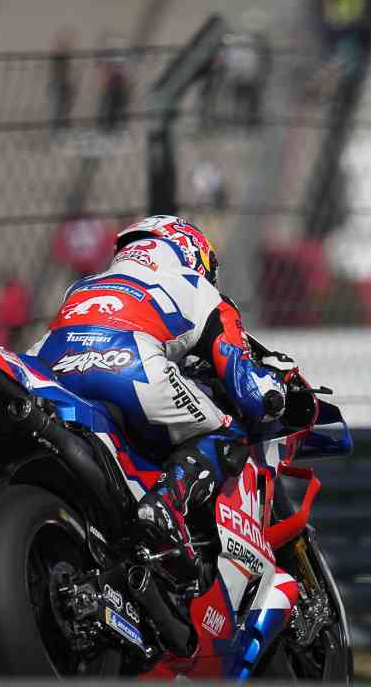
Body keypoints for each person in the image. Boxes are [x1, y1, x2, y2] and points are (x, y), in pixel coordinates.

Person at [27, 216, 319, 591]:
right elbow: (245, 384)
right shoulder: (199, 289)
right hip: (132, 370)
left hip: (55, 375)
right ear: (190, 250)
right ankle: (166, 505)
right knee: (226, 429)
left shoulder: (81, 286)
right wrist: (274, 393)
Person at [0, 269, 32, 351]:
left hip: (12, 324)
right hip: (14, 324)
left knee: (12, 345)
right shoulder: (15, 291)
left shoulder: (14, 292)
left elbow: (7, 310)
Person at [50, 27, 77, 135]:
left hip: (64, 84)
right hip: (60, 85)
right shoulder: (59, 57)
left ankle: (62, 130)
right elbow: (58, 73)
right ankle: (58, 132)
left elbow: (67, 72)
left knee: (64, 109)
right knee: (59, 110)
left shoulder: (63, 57)